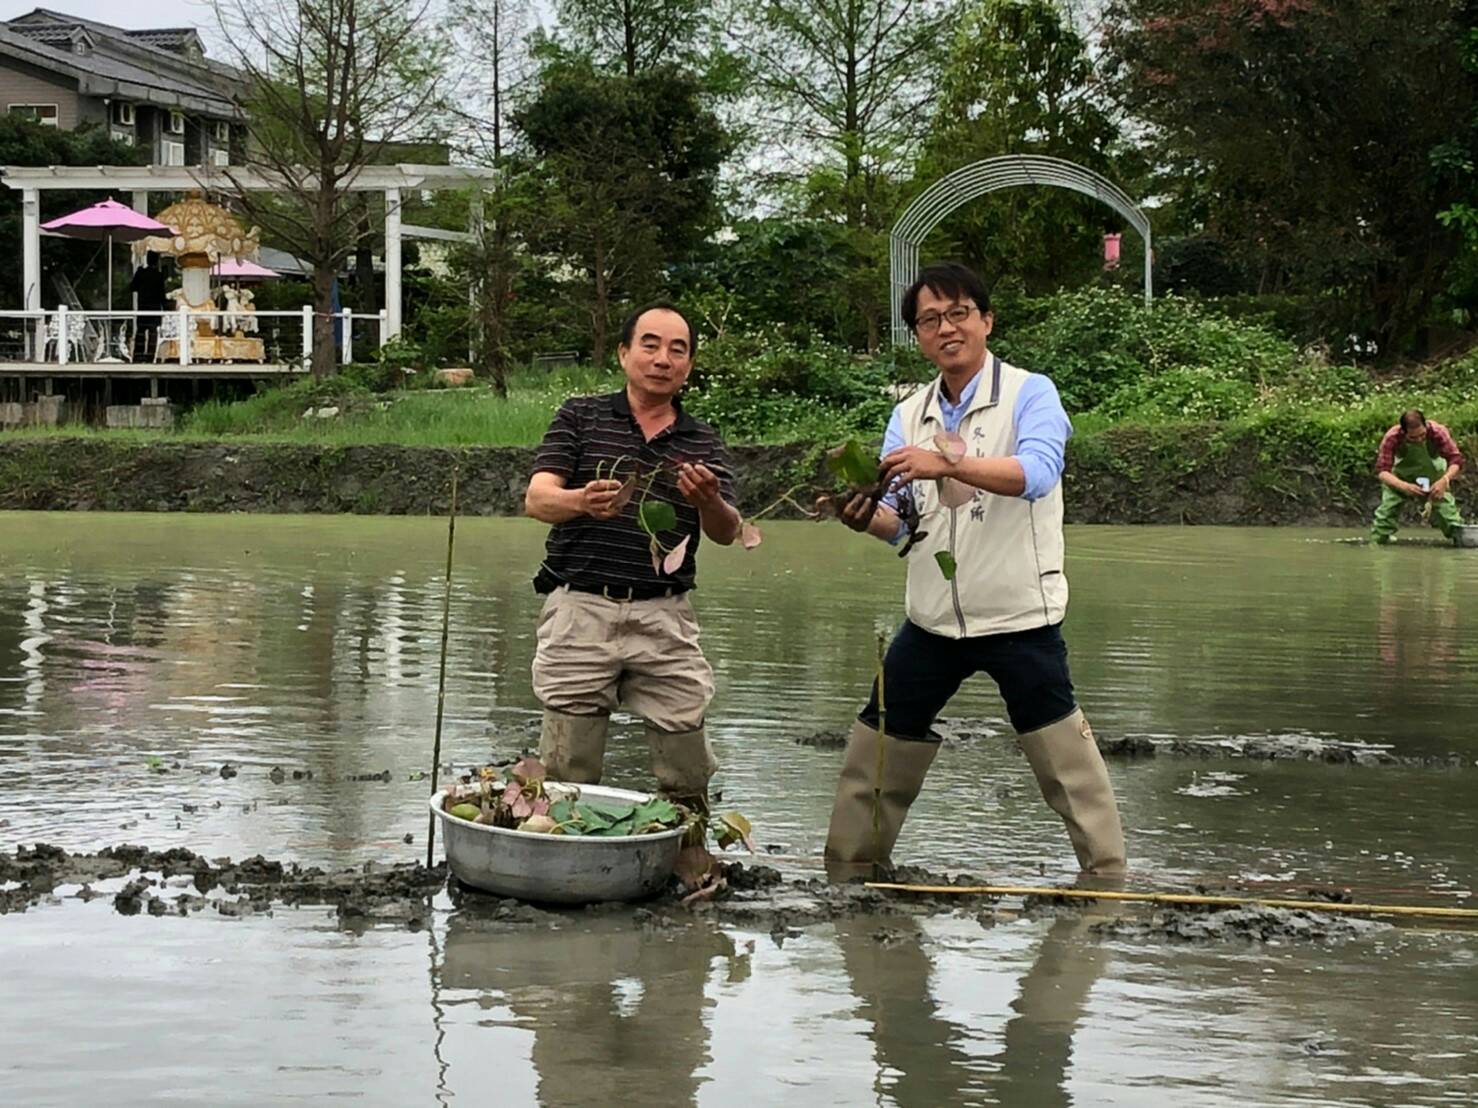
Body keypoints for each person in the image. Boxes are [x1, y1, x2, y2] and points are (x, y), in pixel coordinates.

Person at [824, 262, 1126, 876]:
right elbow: (904, 524)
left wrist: (950, 465)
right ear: (919, 336)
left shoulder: (1030, 394)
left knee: (1067, 763)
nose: (946, 328)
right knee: (877, 746)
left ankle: (1107, 876)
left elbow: (1037, 474)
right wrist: (862, 518)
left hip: (1021, 616)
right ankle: (849, 872)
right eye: (929, 320)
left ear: (987, 320)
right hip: (933, 621)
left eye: (959, 312)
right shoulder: (908, 415)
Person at [524, 302, 741, 810]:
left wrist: (708, 499)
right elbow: (537, 499)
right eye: (650, 344)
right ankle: (562, 866)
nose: (663, 358)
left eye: (677, 349)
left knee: (687, 764)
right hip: (581, 609)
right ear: (624, 354)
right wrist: (582, 501)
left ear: (688, 367)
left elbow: (728, 531)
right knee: (565, 769)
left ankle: (689, 860)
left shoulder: (701, 440)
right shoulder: (580, 416)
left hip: (664, 615)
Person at [1370, 409, 1464, 544]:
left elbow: (1456, 461)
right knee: (1385, 515)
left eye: (1422, 435)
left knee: (1451, 519)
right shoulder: (1392, 437)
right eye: (1413, 438)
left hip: (1434, 481)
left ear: (1426, 425)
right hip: (1400, 480)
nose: (1419, 440)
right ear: (1404, 431)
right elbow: (1382, 471)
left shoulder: (1438, 432)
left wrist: (1444, 480)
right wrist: (1403, 486)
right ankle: (1377, 546)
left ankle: (1461, 543)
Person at [128, 250, 166, 359]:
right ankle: (150, 355)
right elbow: (161, 295)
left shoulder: (141, 273)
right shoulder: (158, 276)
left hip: (143, 306)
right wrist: (165, 307)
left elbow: (132, 287)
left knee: (141, 331)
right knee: (152, 332)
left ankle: (138, 355)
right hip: (154, 308)